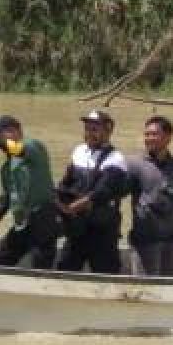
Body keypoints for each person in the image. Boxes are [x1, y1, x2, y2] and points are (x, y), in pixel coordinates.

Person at [0, 116, 60, 269]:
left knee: (41, 269)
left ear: (16, 131)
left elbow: (14, 149)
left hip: (44, 221)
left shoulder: (33, 147)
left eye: (0, 134)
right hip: (22, 224)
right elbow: (5, 203)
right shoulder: (7, 168)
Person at [56, 109, 129, 274]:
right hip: (77, 229)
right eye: (87, 129)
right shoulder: (78, 151)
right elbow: (64, 184)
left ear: (108, 131)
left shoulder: (116, 159)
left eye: (95, 129)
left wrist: (67, 210)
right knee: (65, 271)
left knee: (106, 276)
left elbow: (98, 194)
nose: (89, 133)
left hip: (102, 232)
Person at [130, 115, 173, 276]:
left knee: (169, 288)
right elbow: (116, 192)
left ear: (168, 137)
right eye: (147, 134)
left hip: (172, 241)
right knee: (144, 290)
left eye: (154, 134)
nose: (149, 138)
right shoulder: (134, 164)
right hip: (143, 241)